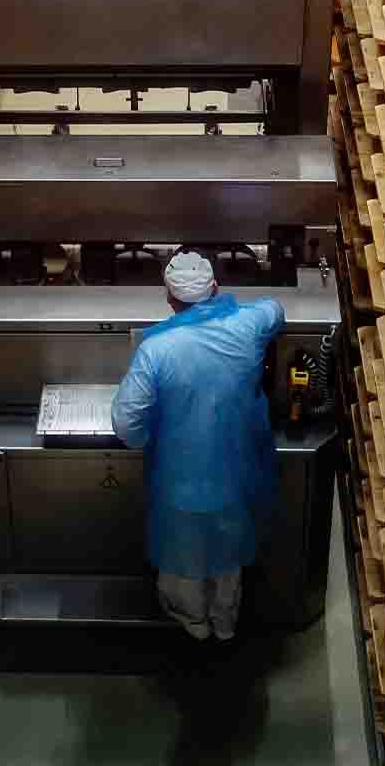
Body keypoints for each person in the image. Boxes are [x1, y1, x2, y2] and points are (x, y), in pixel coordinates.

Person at [112, 251, 284, 641]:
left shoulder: (155, 350)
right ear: (216, 289)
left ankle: (194, 625)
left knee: (184, 562)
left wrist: (144, 440)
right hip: (237, 475)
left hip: (180, 482)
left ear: (169, 299)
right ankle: (225, 622)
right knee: (229, 556)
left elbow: (126, 423)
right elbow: (275, 309)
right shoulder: (248, 325)